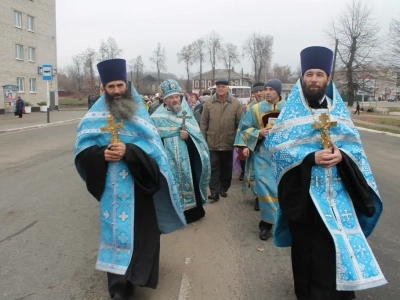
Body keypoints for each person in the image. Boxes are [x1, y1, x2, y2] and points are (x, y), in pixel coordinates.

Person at [267, 46, 386, 299]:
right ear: (302, 78)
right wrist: (310, 158)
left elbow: (356, 150)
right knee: (307, 254)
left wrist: (342, 156)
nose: (314, 79)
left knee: (337, 250)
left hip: (339, 197)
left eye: (319, 74)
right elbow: (277, 153)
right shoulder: (291, 112)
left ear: (328, 79)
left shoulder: (339, 112)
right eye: (309, 74)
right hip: (306, 200)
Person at [74, 58, 186, 300]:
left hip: (138, 187)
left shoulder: (141, 116)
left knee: (141, 232)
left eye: (119, 86)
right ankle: (118, 286)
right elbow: (82, 152)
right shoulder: (94, 118)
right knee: (113, 233)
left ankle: (137, 275)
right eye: (110, 87)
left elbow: (155, 153)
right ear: (103, 89)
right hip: (110, 190)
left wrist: (129, 151)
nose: (115, 91)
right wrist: (99, 154)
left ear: (126, 85)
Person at [151, 79, 211, 223]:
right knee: (170, 185)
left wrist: (188, 137)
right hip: (168, 159)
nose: (175, 100)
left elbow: (198, 137)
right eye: (171, 97)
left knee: (189, 181)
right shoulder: (156, 117)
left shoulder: (186, 113)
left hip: (187, 158)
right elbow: (154, 140)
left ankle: (192, 213)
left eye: (176, 96)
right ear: (165, 100)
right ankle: (175, 214)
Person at [237, 80, 285, 241]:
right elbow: (244, 128)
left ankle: (283, 224)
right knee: (264, 189)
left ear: (278, 91)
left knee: (283, 190)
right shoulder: (256, 109)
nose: (268, 92)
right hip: (262, 155)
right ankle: (266, 225)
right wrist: (259, 132)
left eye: (272, 89)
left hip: (283, 157)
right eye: (266, 89)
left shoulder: (288, 109)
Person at [200, 78, 242, 201]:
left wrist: (238, 140)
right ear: (216, 88)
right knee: (213, 166)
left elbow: (239, 123)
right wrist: (203, 139)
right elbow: (203, 122)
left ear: (227, 88)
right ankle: (214, 191)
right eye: (219, 86)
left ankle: (223, 188)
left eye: (223, 86)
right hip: (212, 141)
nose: (221, 88)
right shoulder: (208, 103)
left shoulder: (235, 103)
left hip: (228, 141)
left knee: (226, 167)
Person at [234, 82, 265, 201]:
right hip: (254, 144)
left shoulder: (276, 106)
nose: (259, 93)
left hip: (269, 146)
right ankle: (258, 197)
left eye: (261, 90)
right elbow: (243, 127)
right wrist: (244, 146)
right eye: (256, 91)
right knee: (254, 172)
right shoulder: (249, 108)